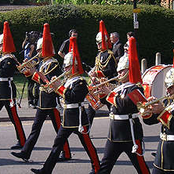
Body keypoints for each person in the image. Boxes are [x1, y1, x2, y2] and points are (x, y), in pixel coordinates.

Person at [30, 36, 100, 174]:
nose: (65, 68)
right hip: (67, 118)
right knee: (57, 145)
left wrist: (59, 88)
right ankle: (46, 170)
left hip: (79, 118)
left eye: (68, 66)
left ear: (74, 66)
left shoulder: (80, 82)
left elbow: (72, 97)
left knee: (88, 146)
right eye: (65, 66)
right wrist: (53, 85)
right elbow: (58, 93)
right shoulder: (68, 81)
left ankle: (97, 168)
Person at [11, 23, 71, 162]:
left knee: (60, 131)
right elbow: (36, 78)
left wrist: (34, 72)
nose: (38, 53)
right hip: (42, 100)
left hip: (51, 100)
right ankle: (26, 152)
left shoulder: (53, 63)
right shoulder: (43, 63)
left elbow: (47, 81)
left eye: (39, 50)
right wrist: (27, 70)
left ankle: (66, 153)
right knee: (35, 128)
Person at [96, 37, 150, 174]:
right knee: (105, 166)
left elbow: (123, 105)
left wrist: (109, 92)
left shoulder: (135, 88)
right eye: (119, 71)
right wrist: (102, 93)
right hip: (114, 134)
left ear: (129, 71)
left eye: (122, 71)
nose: (119, 74)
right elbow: (106, 103)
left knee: (141, 167)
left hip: (129, 133)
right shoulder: (119, 87)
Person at [141, 67, 174, 174]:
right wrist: (147, 113)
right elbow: (151, 121)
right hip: (162, 152)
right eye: (167, 87)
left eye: (171, 87)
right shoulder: (167, 102)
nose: (168, 91)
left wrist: (162, 111)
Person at [0, 21, 26, 149]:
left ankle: (22, 140)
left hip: (7, 92)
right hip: (1, 91)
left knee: (14, 118)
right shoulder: (3, 59)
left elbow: (4, 73)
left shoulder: (9, 59)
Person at [87, 20, 117, 126]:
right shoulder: (99, 55)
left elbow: (111, 70)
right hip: (98, 86)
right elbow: (97, 68)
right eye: (97, 43)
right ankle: (87, 129)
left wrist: (98, 74)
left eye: (100, 43)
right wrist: (93, 76)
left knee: (113, 110)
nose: (98, 45)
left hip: (108, 85)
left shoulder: (109, 54)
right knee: (91, 108)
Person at [22, 31, 41, 108]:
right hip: (29, 67)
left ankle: (36, 100)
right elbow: (27, 56)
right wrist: (32, 49)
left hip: (36, 66)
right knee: (31, 85)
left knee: (37, 85)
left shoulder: (37, 44)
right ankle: (30, 101)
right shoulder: (28, 45)